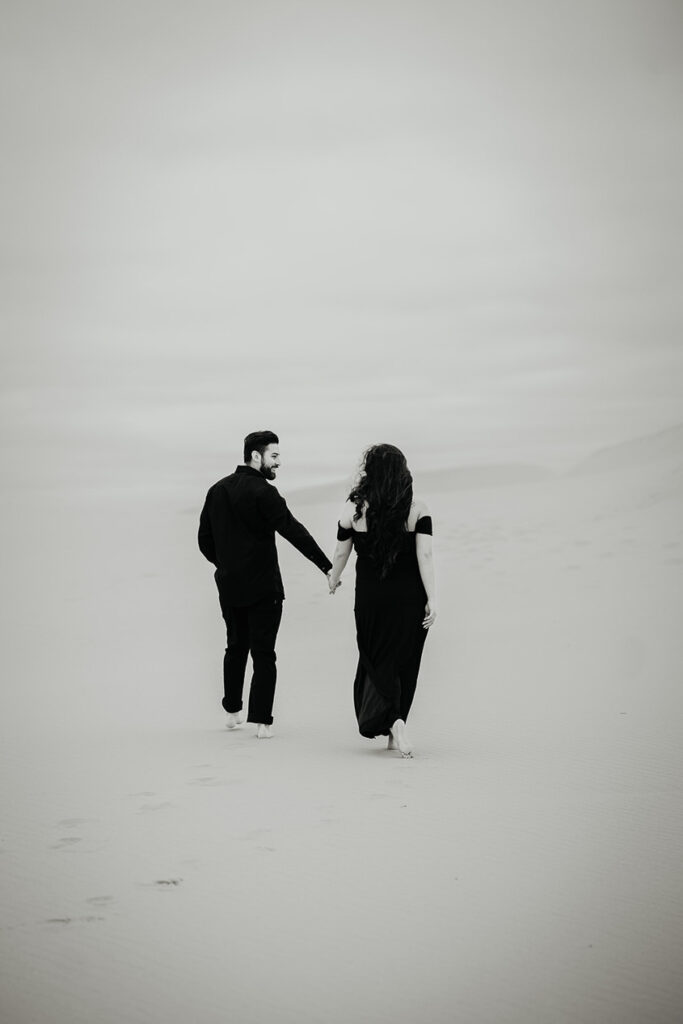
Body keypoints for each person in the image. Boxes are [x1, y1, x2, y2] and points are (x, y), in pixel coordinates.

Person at [198, 430, 334, 738]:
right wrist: (326, 565)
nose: (279, 463)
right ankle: (261, 721)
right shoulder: (264, 493)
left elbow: (204, 540)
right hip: (263, 587)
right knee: (263, 652)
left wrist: (226, 565)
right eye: (274, 456)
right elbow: (292, 530)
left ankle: (233, 710)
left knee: (235, 646)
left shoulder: (217, 490)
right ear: (256, 456)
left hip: (230, 586)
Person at [326, 444, 436, 757]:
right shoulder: (417, 508)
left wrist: (334, 578)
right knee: (405, 660)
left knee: (377, 657)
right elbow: (425, 555)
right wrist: (433, 598)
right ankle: (396, 723)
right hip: (410, 597)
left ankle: (394, 723)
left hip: (371, 598)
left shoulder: (354, 507)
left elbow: (341, 551)